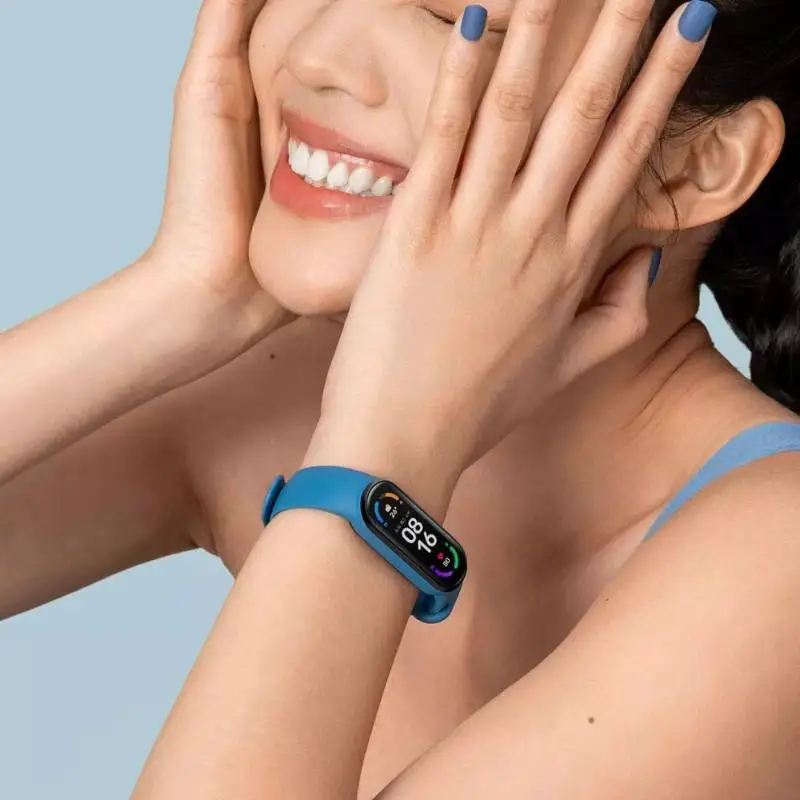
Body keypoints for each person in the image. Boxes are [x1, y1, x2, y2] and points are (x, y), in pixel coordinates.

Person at [3, 0, 800, 795]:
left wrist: (385, 455)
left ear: (701, 164)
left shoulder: (774, 567)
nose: (316, 55)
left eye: (452, 18)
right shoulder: (270, 391)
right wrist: (173, 301)